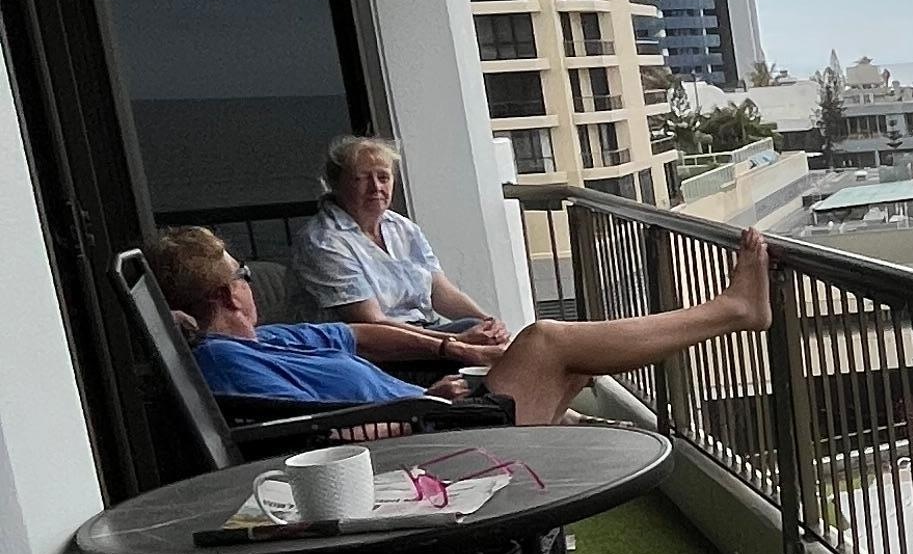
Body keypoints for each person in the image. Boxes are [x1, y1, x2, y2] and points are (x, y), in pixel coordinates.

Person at [149, 224, 771, 430]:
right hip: (429, 447)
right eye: (242, 276)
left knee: (574, 358)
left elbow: (359, 337)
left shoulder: (264, 339)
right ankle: (732, 312)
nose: (252, 283)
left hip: (434, 416)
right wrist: (419, 408)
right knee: (546, 340)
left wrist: (450, 349)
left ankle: (582, 441)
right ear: (228, 292)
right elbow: (313, 441)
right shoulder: (228, 364)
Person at [289, 133, 510, 357]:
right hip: (373, 354)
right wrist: (458, 341)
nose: (375, 187)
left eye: (383, 178)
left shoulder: (401, 227)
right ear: (335, 184)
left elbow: (441, 291)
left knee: (491, 334)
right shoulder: (323, 241)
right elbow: (372, 323)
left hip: (429, 334)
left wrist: (490, 323)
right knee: (496, 352)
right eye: (362, 178)